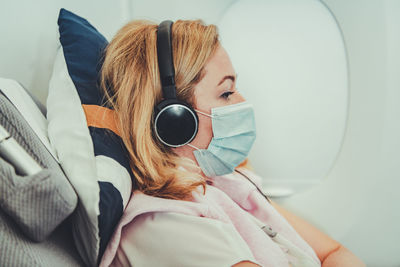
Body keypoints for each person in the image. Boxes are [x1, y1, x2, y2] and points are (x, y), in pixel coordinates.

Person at [98, 19, 365, 267]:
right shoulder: (163, 225)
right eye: (226, 93)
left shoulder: (225, 184)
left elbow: (333, 253)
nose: (242, 102)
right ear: (174, 121)